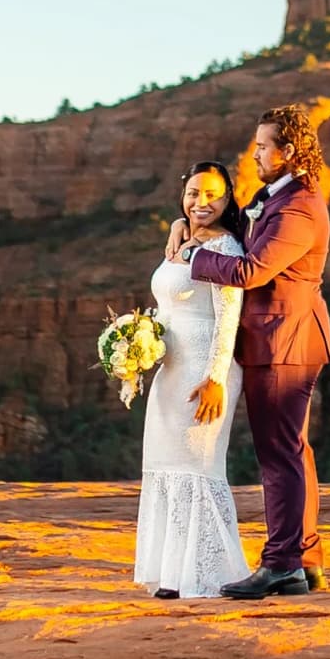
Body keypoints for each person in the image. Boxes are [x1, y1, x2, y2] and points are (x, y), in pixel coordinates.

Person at [176, 105, 330, 602]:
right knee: (293, 452)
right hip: (281, 338)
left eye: (263, 146)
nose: (256, 153)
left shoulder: (300, 208)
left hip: (284, 342)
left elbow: (251, 272)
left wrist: (193, 257)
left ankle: (282, 565)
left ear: (288, 152)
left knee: (278, 455)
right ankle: (305, 560)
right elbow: (242, 239)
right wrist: (187, 226)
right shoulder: (277, 198)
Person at [133, 162, 253, 600]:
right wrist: (139, 346)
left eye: (212, 195)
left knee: (198, 467)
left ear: (227, 201)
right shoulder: (182, 238)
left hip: (205, 367)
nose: (201, 203)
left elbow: (229, 318)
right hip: (171, 369)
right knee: (166, 465)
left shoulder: (227, 249)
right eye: (193, 194)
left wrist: (216, 377)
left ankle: (208, 574)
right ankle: (173, 575)